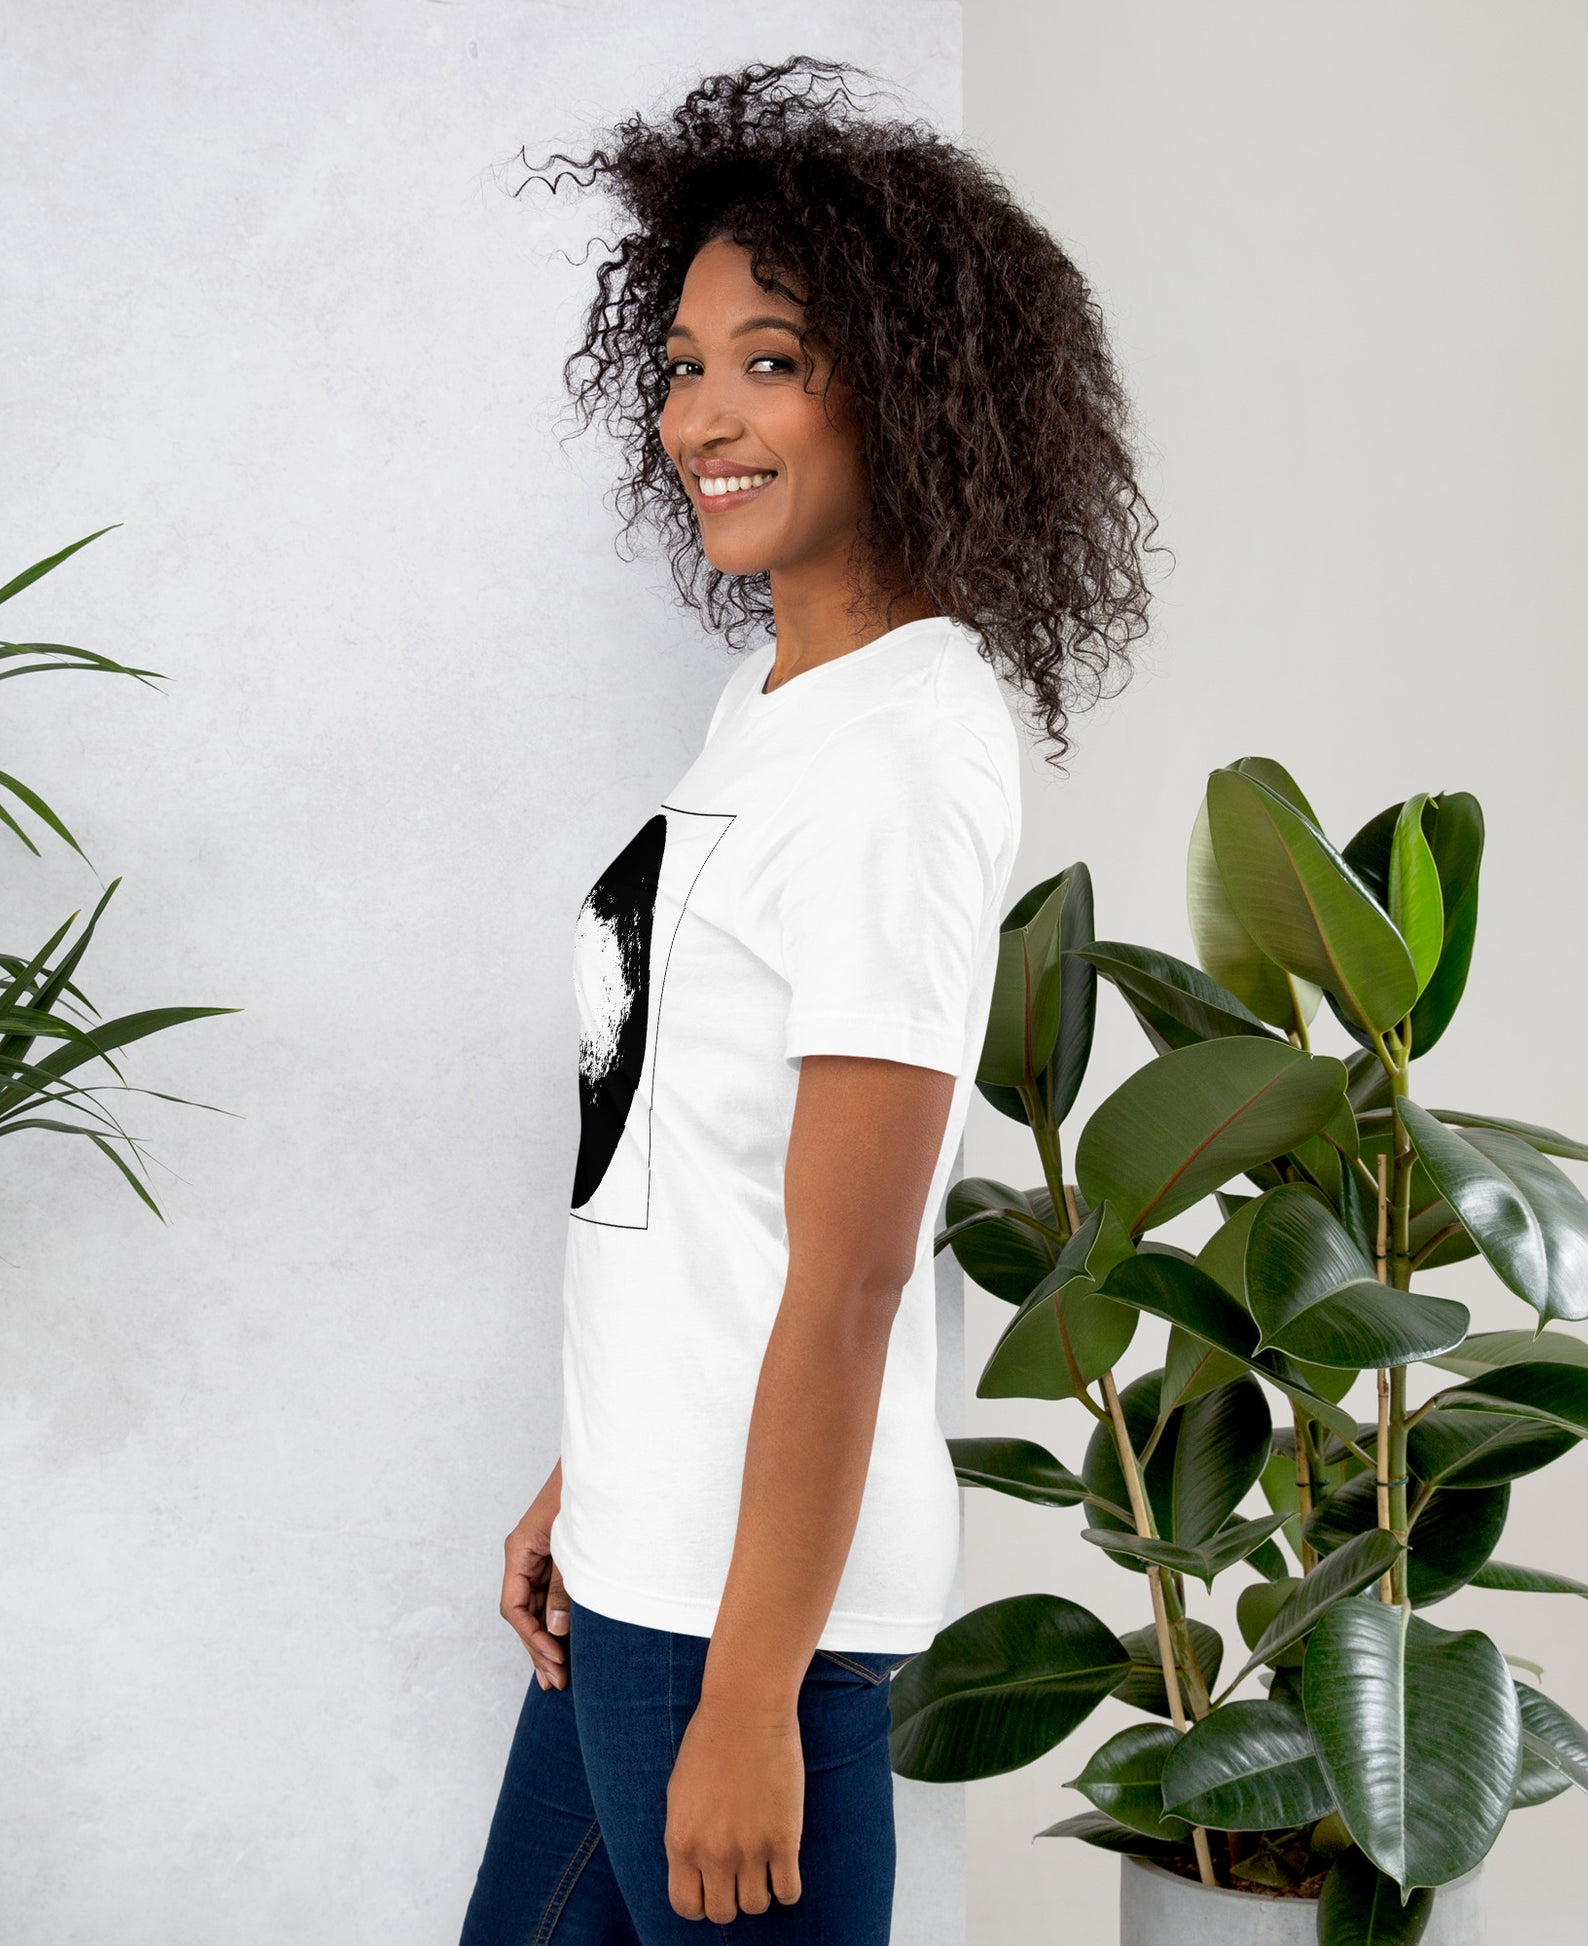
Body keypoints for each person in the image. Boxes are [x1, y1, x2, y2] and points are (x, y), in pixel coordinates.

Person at [460, 56, 1155, 1945]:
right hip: (643, 1567)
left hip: (747, 1625)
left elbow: (851, 1272)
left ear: (912, 387)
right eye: (683, 365)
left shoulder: (905, 753)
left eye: (771, 359)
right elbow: (702, 1172)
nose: (704, 416)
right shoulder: (776, 699)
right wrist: (590, 1478)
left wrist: (753, 1695)